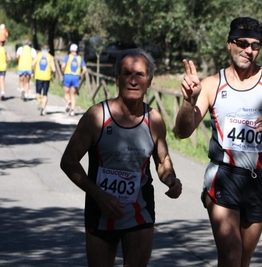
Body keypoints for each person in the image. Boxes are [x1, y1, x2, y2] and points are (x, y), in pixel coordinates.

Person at [174, 17, 262, 266]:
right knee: (230, 256)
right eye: (242, 43)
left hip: (258, 180)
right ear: (230, 44)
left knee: (243, 260)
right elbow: (182, 132)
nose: (249, 50)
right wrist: (188, 100)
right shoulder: (211, 85)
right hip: (223, 176)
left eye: (255, 45)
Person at [60, 48, 182, 267]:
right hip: (101, 209)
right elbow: (68, 162)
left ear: (149, 81)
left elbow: (162, 161)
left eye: (140, 75)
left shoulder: (153, 119)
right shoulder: (97, 116)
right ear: (117, 79)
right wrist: (99, 195)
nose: (133, 80)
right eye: (127, 73)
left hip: (140, 210)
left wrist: (171, 180)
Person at [61, 43, 87, 116]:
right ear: (77, 50)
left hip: (68, 76)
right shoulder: (80, 58)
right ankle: (72, 111)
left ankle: (68, 101)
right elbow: (85, 69)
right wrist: (80, 75)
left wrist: (63, 72)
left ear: (70, 50)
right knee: (73, 95)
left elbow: (63, 66)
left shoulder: (67, 57)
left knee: (66, 93)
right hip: (76, 77)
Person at [32, 44, 56, 116]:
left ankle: (40, 101)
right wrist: (53, 75)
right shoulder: (50, 57)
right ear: (49, 50)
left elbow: (32, 64)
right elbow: (54, 69)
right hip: (47, 77)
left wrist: (33, 72)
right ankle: (43, 108)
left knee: (37, 93)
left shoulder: (38, 55)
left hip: (38, 76)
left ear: (42, 49)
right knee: (45, 93)